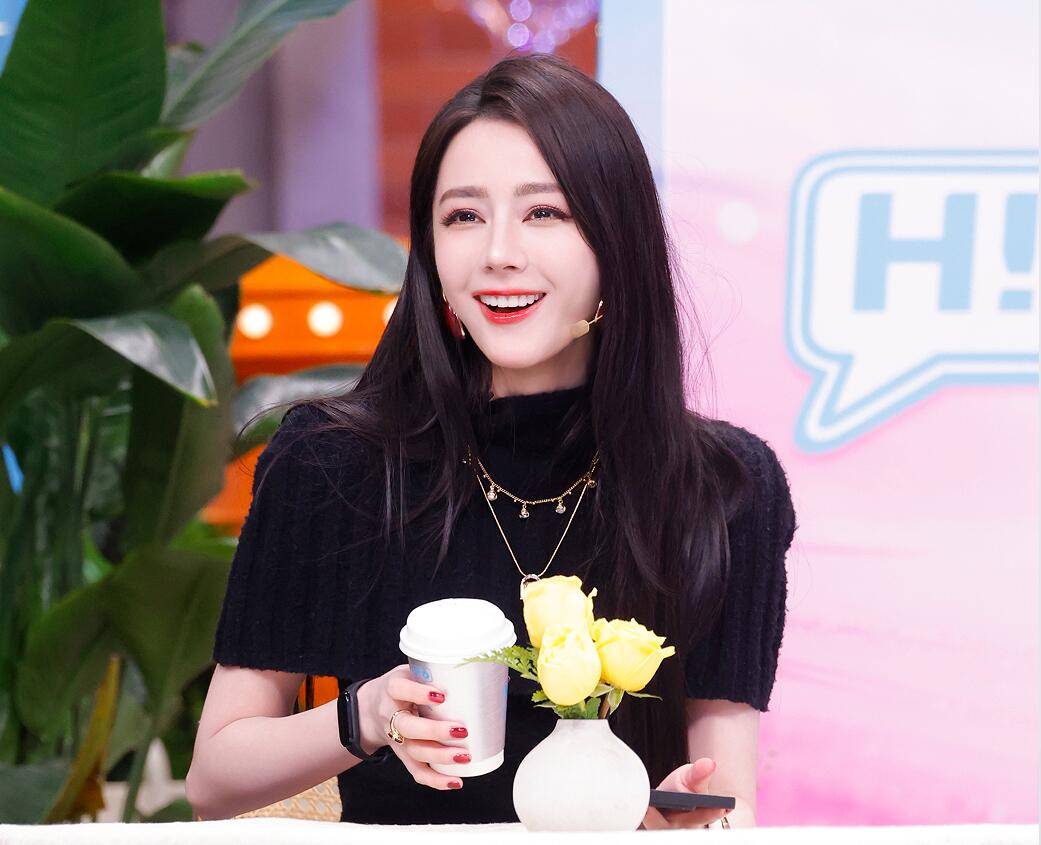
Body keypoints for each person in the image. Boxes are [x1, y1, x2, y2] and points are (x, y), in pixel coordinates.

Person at [185, 52, 797, 828]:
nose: (498, 252)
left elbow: (726, 799)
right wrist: (367, 714)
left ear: (617, 242)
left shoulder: (722, 485)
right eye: (463, 216)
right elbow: (214, 778)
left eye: (544, 213)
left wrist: (681, 819)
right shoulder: (331, 464)